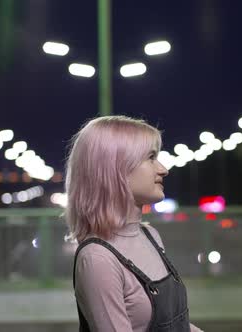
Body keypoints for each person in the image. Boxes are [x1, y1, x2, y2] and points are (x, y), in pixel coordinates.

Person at [65, 116, 203, 332]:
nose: (163, 169)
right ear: (115, 168)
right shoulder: (97, 258)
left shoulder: (150, 235)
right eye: (151, 157)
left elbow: (178, 326)